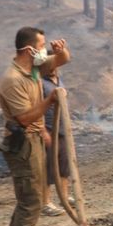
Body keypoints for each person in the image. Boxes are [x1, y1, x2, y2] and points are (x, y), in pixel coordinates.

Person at [0, 26, 71, 226]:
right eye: (41, 46)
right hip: (22, 144)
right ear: (29, 49)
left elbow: (62, 60)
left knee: (29, 193)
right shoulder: (13, 79)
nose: (44, 51)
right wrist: (50, 101)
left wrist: (60, 51)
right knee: (32, 199)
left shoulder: (35, 69)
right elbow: (25, 118)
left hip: (35, 138)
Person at [40, 58, 76, 216]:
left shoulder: (59, 81)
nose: (53, 68)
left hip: (62, 129)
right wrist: (43, 131)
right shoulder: (40, 83)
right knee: (48, 168)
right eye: (50, 65)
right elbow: (37, 107)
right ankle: (45, 203)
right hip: (49, 129)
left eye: (55, 65)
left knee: (64, 166)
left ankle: (64, 197)